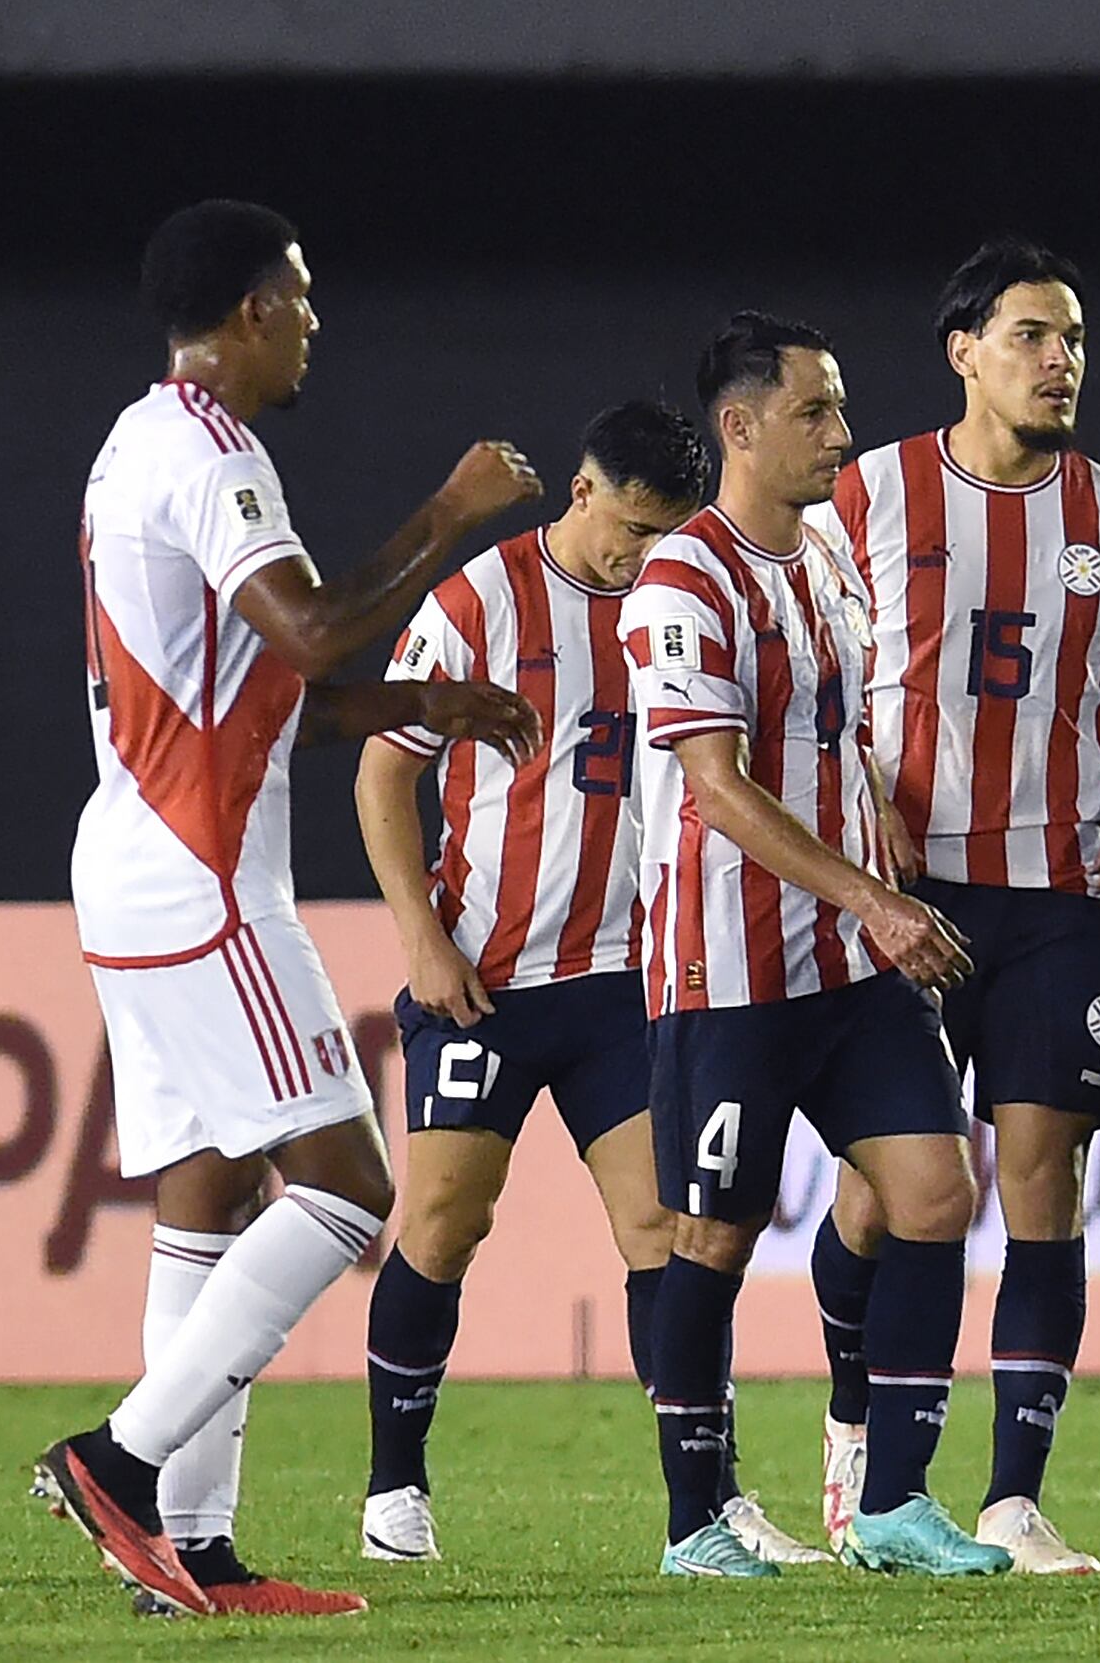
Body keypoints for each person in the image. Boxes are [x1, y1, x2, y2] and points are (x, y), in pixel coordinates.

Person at [37, 199, 544, 1618]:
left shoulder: (134, 443)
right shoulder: (211, 453)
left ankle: (187, 1552)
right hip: (200, 877)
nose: (316, 324)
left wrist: (421, 701)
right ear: (253, 310)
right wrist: (452, 512)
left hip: (140, 859)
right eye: (303, 299)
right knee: (347, 1185)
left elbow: (251, 699)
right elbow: (311, 630)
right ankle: (121, 1461)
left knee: (203, 1199)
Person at [351, 402, 824, 1568]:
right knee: (446, 1222)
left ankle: (705, 1506)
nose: (644, 552)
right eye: (631, 526)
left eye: (667, 531)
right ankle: (393, 1486)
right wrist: (421, 937)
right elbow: (382, 775)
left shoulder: (689, 605)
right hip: (487, 978)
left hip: (625, 982)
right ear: (580, 492)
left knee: (666, 1229)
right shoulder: (480, 601)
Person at [810, 240, 1100, 1574]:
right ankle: (856, 1428)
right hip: (905, 896)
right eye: (1031, 334)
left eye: (1073, 338)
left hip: (1058, 900)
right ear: (962, 350)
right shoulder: (862, 496)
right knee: (886, 1195)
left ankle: (1012, 1499)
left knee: (1044, 1181)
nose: (1059, 359)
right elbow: (801, 668)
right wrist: (856, 794)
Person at [623, 311, 1011, 1581]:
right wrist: (879, 901)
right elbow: (716, 787)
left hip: (849, 963)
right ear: (739, 427)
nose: (841, 435)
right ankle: (696, 1519)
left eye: (839, 409)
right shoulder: (683, 580)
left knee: (935, 1195)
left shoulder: (830, 552)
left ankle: (891, 1503)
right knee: (713, 1238)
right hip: (728, 969)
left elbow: (839, 733)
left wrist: (879, 824)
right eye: (814, 413)